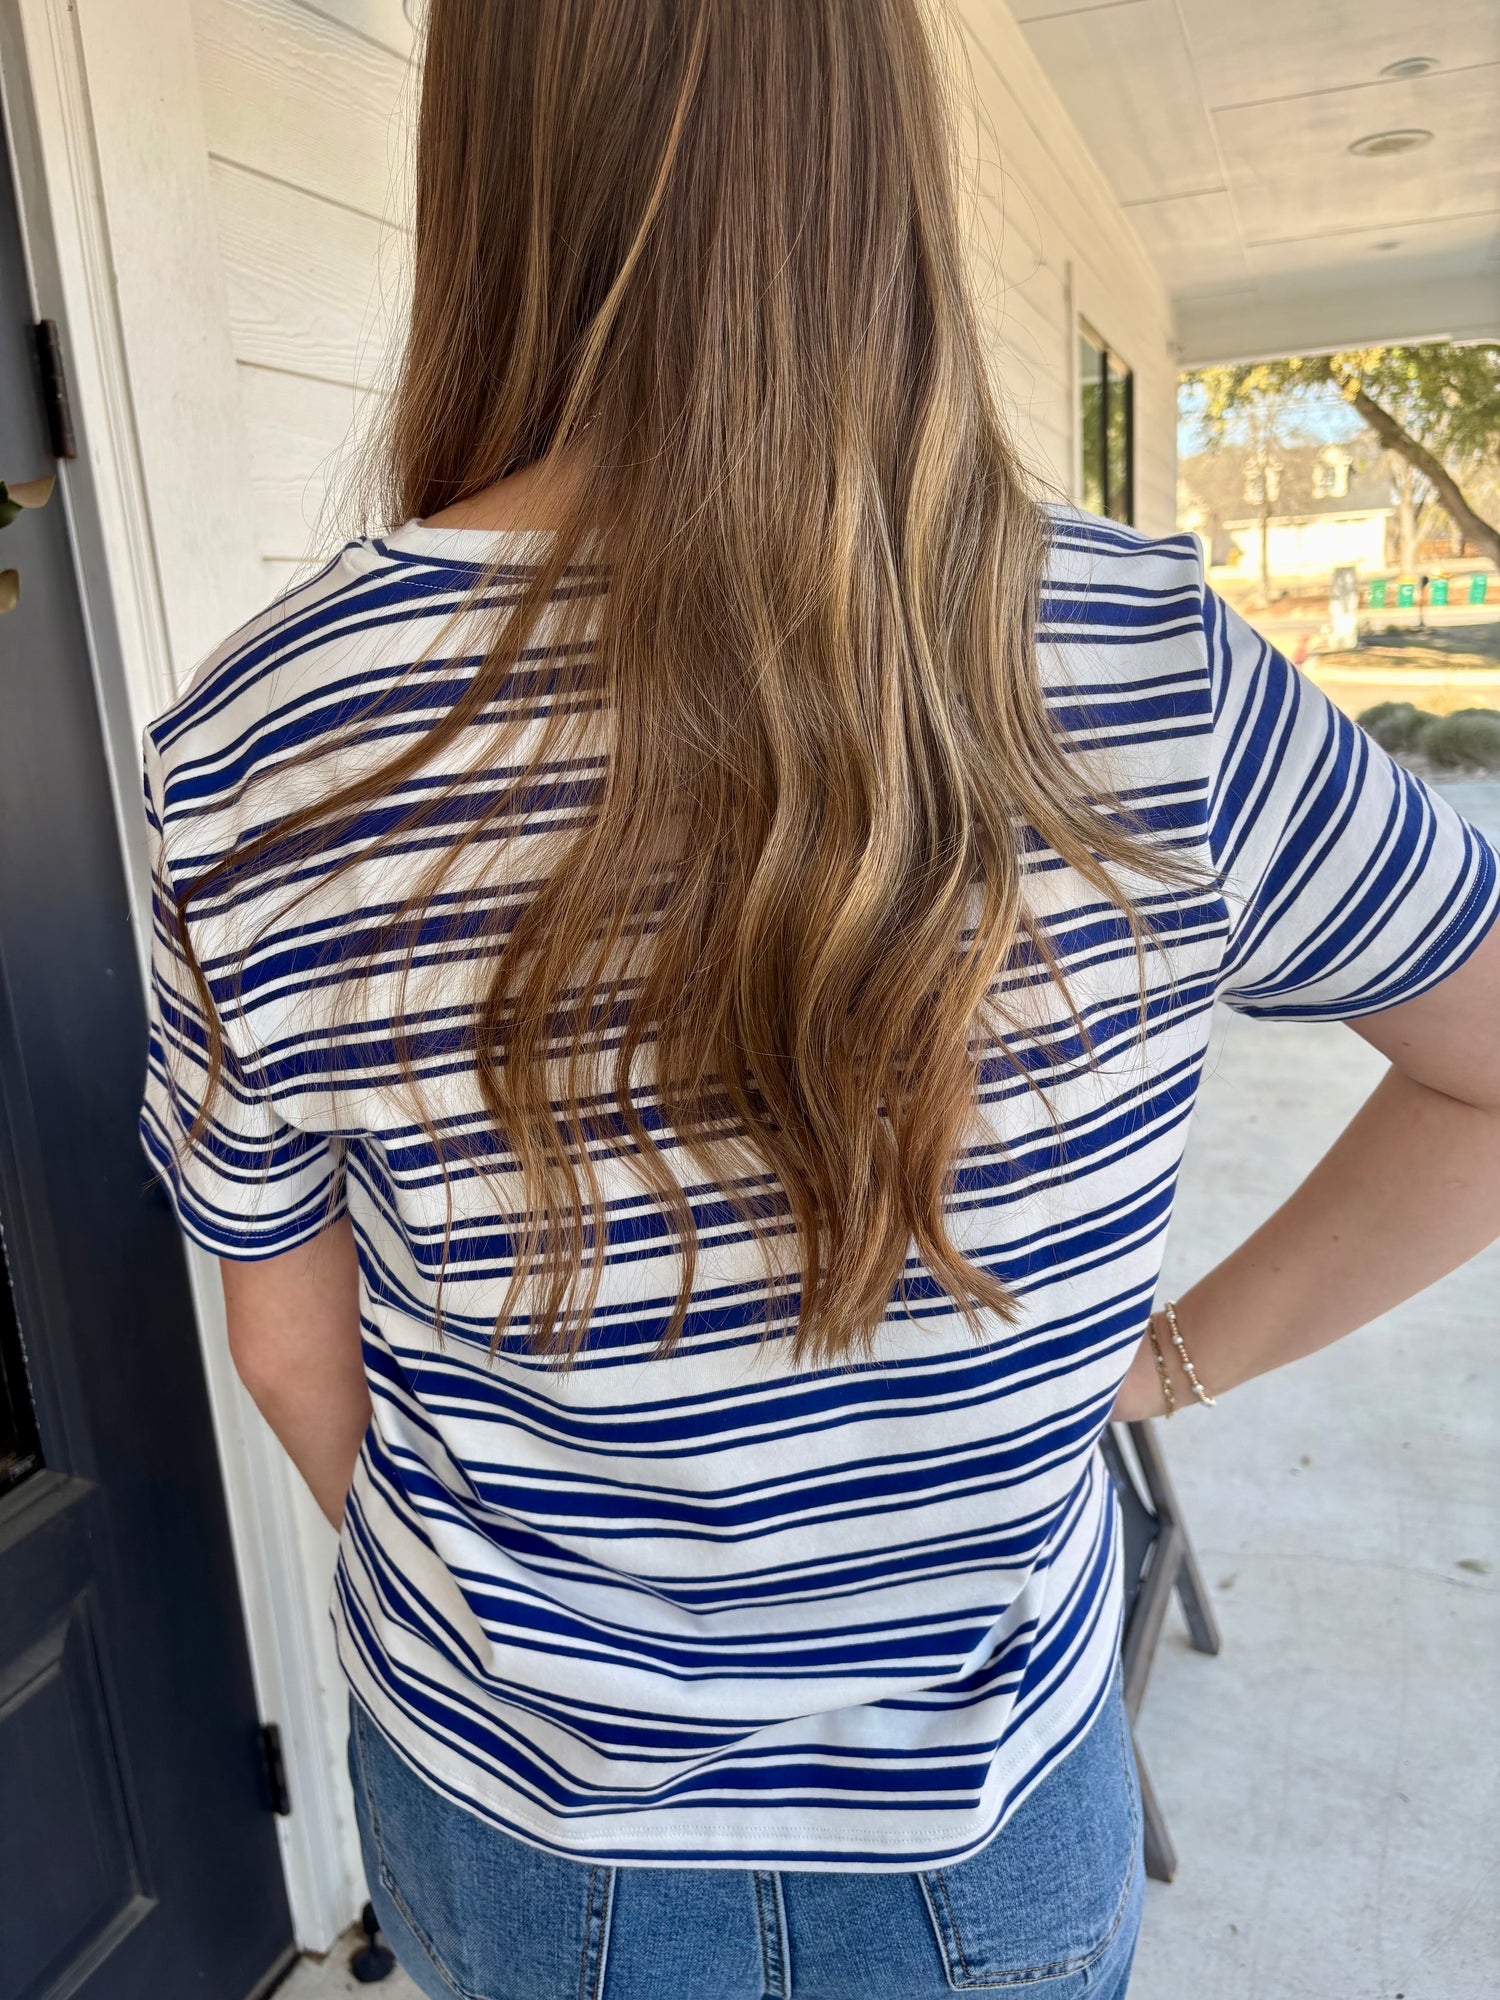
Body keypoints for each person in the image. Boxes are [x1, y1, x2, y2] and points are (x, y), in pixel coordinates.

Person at [138, 3, 1500, 1995]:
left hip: (519, 1828)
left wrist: (509, 1639)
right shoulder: (1146, 666)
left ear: (489, 171)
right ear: (879, 162)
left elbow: (284, 1349)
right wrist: (1162, 1370)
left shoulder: (261, 742)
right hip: (983, 1831)